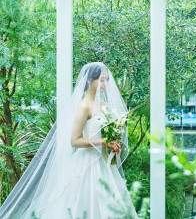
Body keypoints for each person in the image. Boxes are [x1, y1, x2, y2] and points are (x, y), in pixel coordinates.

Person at [0, 62, 138, 219]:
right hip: (86, 164)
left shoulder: (105, 105)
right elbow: (75, 141)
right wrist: (103, 142)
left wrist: (113, 145)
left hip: (104, 163)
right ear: (89, 81)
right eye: (101, 80)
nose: (105, 84)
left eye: (106, 80)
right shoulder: (83, 106)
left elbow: (107, 136)